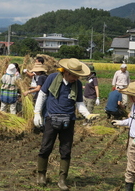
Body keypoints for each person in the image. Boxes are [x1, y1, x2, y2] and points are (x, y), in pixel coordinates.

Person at [33, 58, 99, 191]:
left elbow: (79, 103)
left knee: (66, 151)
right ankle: (41, 175)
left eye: (77, 76)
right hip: (51, 119)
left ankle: (62, 179)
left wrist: (87, 114)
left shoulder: (77, 85)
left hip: (68, 120)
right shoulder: (52, 78)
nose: (76, 78)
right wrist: (37, 112)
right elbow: (42, 94)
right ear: (66, 72)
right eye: (74, 75)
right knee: (45, 148)